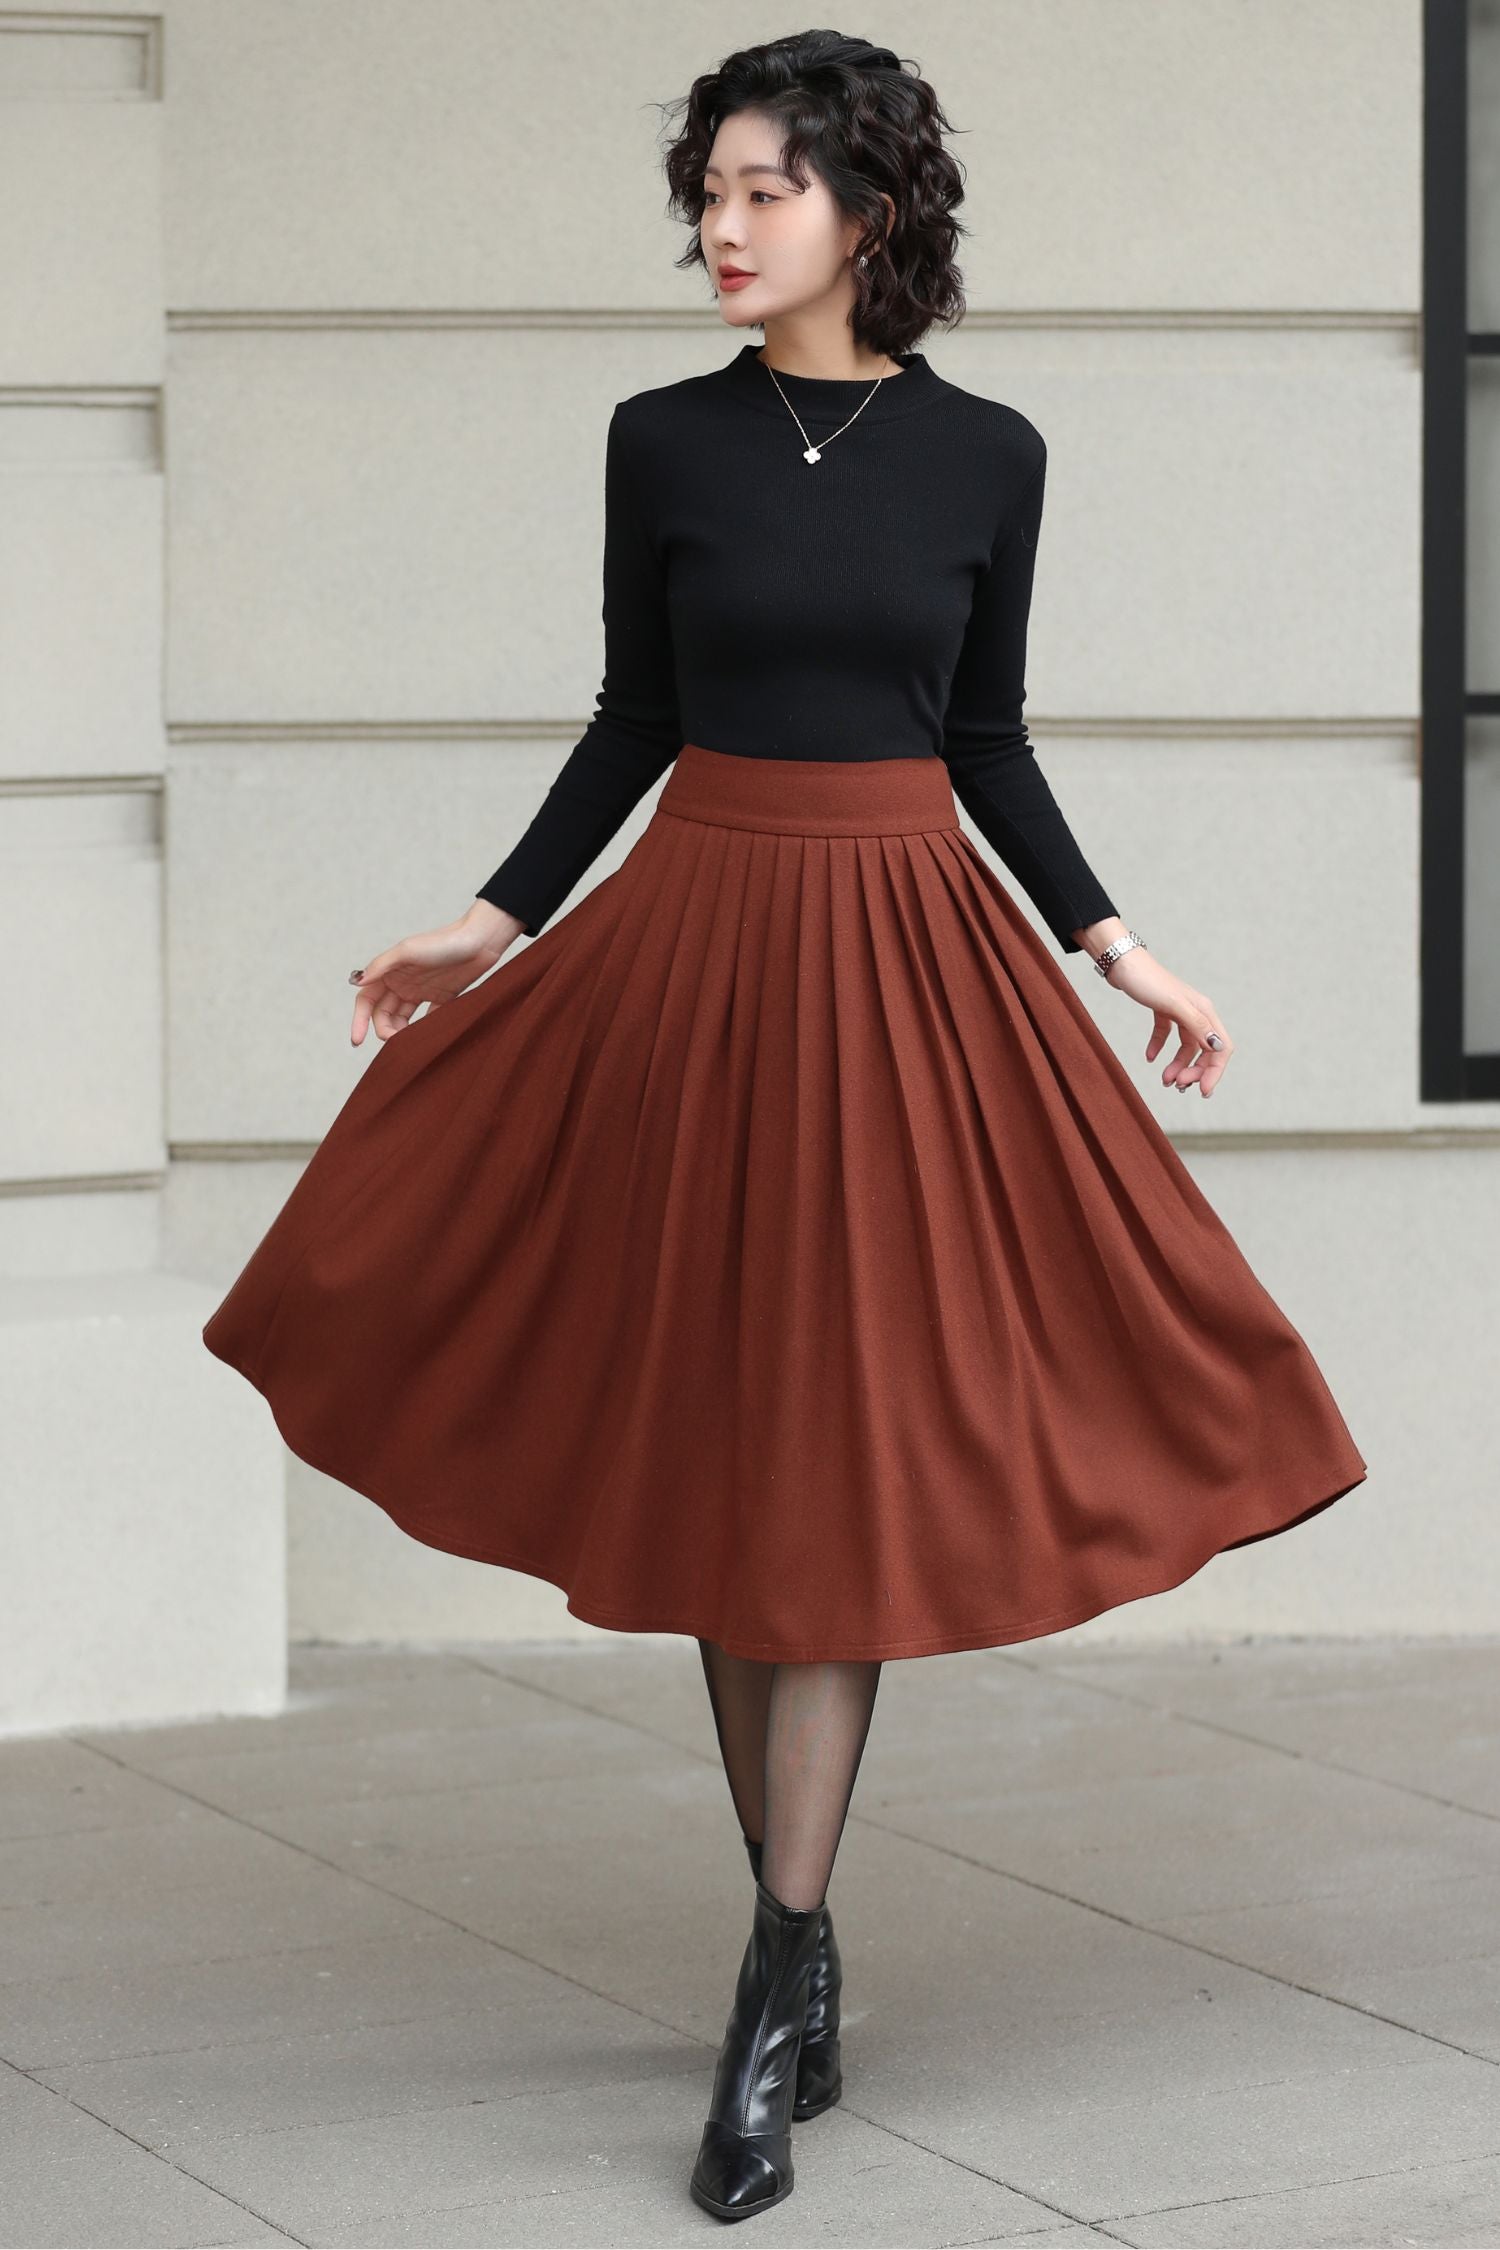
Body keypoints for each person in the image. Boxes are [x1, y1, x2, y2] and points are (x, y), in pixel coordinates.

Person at [202, 29, 1369, 2226]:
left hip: (909, 966)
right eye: (709, 191)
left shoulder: (992, 455)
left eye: (763, 189)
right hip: (697, 965)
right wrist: (486, 922)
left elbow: (986, 736)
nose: (722, 227)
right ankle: (799, 1936)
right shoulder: (662, 437)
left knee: (832, 1454)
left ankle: (769, 1976)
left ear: (869, 214)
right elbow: (636, 716)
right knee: (736, 1451)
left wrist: (1121, 946)